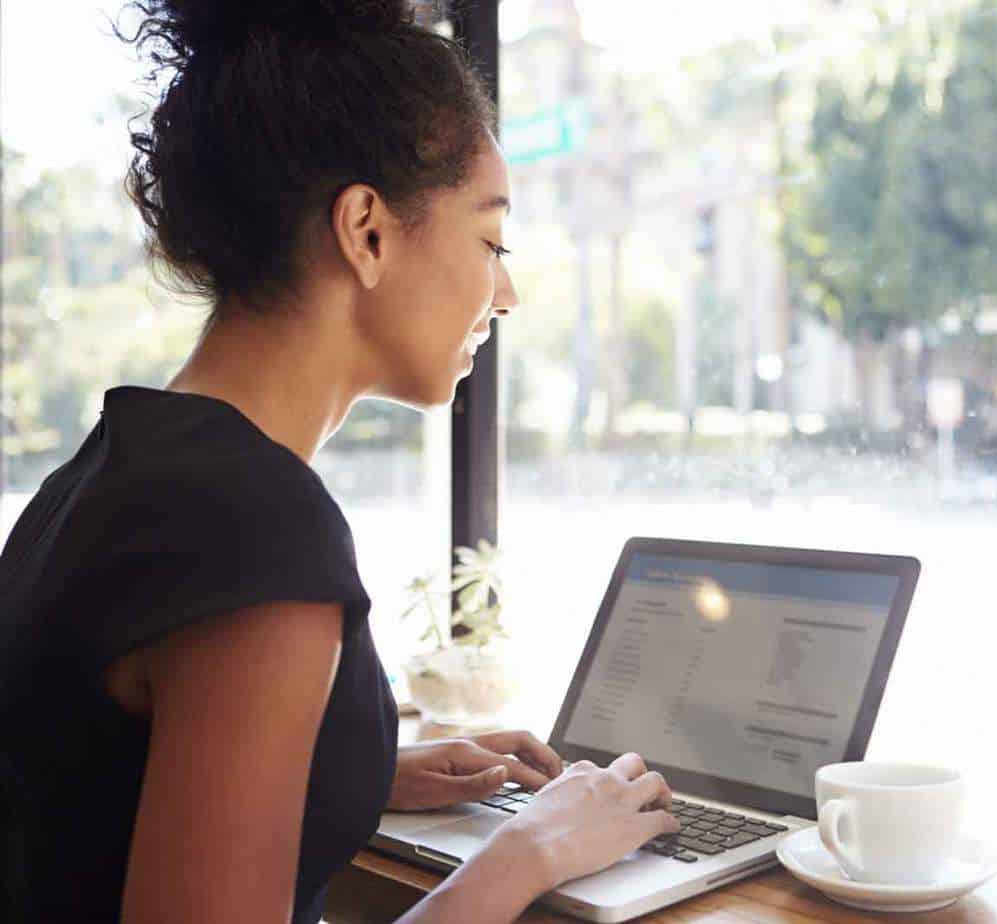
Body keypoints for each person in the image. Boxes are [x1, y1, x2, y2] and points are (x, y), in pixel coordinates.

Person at [0, 2, 680, 922]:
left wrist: (347, 773)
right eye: (491, 240)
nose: (505, 292)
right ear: (365, 230)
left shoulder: (110, 470)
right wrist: (529, 850)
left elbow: (93, 795)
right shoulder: (256, 531)